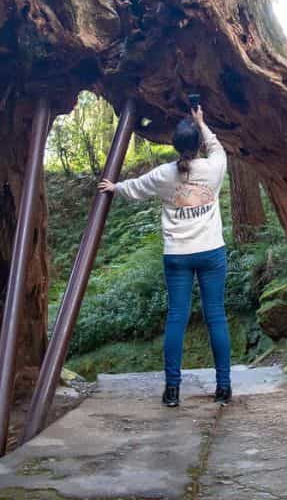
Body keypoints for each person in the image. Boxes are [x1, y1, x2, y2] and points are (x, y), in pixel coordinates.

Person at [98, 105, 231, 407]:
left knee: (176, 319)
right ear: (198, 145)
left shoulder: (163, 175)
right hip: (211, 252)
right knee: (216, 317)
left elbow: (135, 188)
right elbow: (216, 147)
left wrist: (114, 187)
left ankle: (172, 390)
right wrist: (202, 122)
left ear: (174, 145)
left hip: (177, 256)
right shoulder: (214, 167)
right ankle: (224, 387)